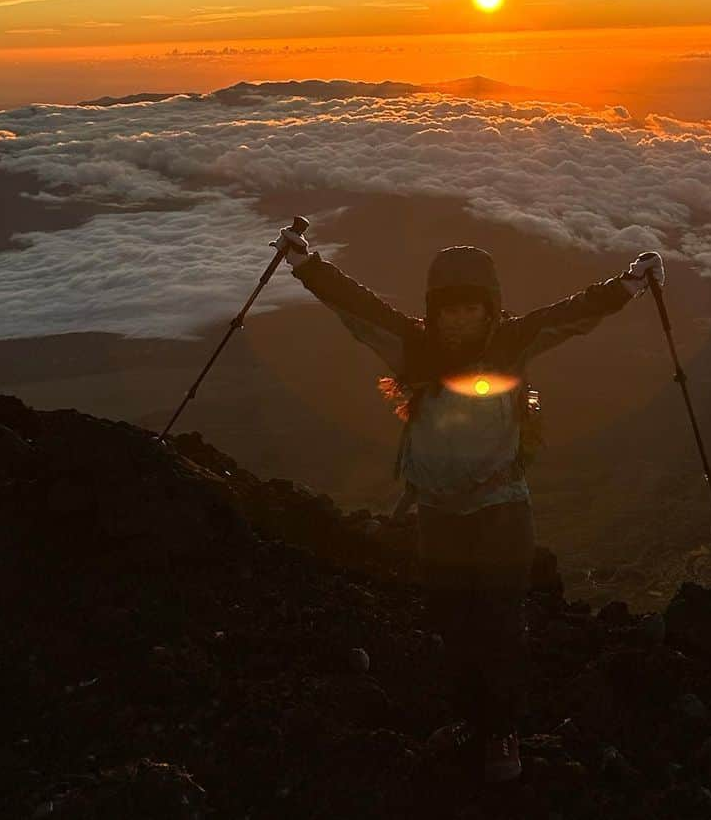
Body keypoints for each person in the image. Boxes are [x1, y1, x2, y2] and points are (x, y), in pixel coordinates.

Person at [271, 227, 665, 784]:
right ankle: (471, 721)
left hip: (501, 508)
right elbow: (357, 307)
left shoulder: (512, 343)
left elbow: (570, 314)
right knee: (454, 622)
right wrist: (306, 264)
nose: (459, 320)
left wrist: (628, 284)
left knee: (499, 623)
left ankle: (500, 730)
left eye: (470, 309)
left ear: (490, 310)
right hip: (438, 512)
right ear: (434, 311)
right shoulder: (413, 347)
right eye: (448, 310)